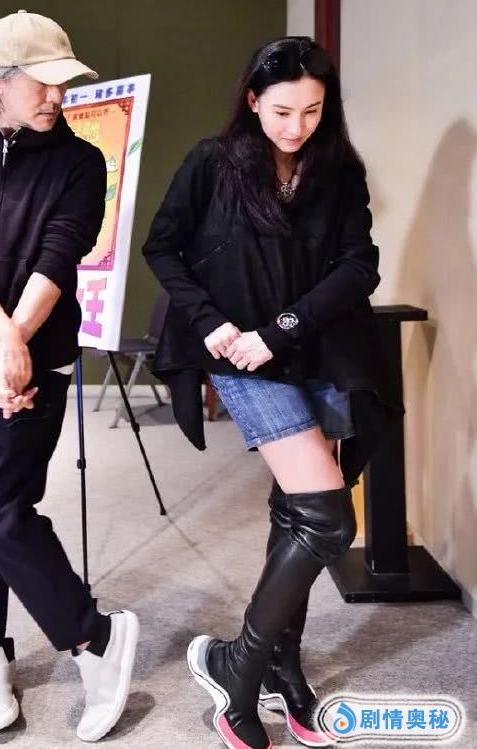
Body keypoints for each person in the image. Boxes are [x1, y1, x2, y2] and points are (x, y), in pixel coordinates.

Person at [143, 36, 401, 749]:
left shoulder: (339, 170)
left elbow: (359, 265)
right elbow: (163, 246)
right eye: (283, 111)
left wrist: (282, 329)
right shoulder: (213, 162)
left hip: (316, 349)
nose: (297, 127)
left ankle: (281, 668)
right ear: (253, 100)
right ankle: (237, 664)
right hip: (241, 358)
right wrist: (213, 323)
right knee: (328, 521)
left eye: (312, 111)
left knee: (296, 513)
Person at [0, 10, 139, 743]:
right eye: (44, 83)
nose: (59, 97)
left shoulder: (80, 162)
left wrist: (18, 346)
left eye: (64, 82)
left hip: (41, 355)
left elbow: (59, 254)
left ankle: (95, 636)